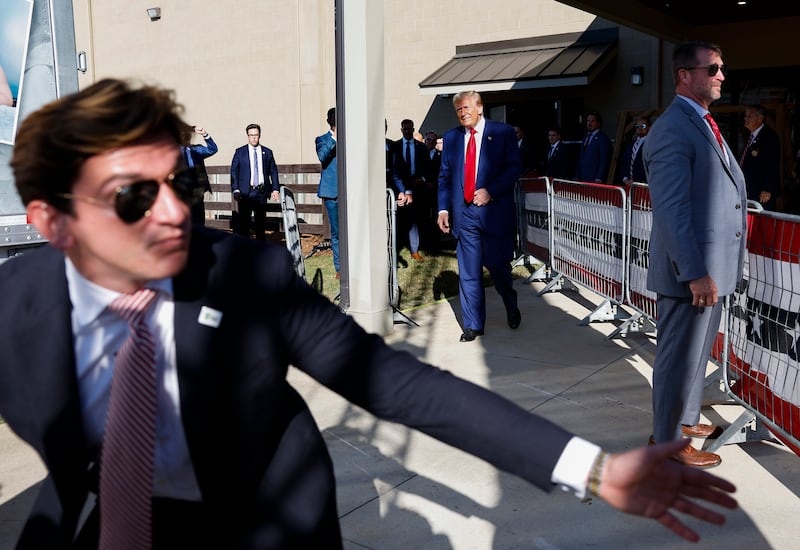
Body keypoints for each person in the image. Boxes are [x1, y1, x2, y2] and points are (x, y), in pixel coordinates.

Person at [0, 79, 738, 548]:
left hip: (272, 519)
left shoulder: (249, 278)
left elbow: (399, 384)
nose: (172, 213)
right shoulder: (14, 312)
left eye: (178, 185)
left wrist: (593, 468)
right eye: (134, 196)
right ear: (49, 220)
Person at [643, 41, 748, 468]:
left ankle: (684, 421)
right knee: (677, 361)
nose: (721, 75)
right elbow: (672, 211)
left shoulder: (700, 123)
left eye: (722, 68)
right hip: (692, 273)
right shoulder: (672, 128)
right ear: (685, 75)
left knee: (694, 357)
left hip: (708, 270)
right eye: (714, 69)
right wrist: (695, 272)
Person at [437, 91, 522, 342]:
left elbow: (514, 168)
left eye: (466, 108)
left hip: (493, 213)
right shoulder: (452, 138)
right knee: (469, 272)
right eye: (458, 110)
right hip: (464, 215)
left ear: (480, 108)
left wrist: (491, 192)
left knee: (498, 268)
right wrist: (443, 209)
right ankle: (473, 325)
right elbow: (444, 177)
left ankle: (511, 305)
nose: (462, 113)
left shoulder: (503, 133)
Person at [230, 123, 280, 240]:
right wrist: (235, 189)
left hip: (261, 193)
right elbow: (234, 171)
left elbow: (273, 171)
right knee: (244, 225)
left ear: (260, 135)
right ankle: (246, 252)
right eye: (251, 135)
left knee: (260, 224)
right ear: (247, 136)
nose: (253, 138)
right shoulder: (240, 152)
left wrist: (275, 189)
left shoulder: (267, 152)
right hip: (245, 193)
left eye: (256, 135)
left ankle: (260, 252)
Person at [392, 119, 429, 260]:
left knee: (416, 219)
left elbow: (428, 168)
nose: (407, 131)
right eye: (405, 129)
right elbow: (393, 169)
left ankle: (415, 250)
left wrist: (423, 179)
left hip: (417, 187)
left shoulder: (421, 147)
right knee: (400, 220)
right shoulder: (395, 146)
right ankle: (399, 248)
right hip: (399, 188)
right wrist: (401, 189)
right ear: (401, 130)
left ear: (413, 129)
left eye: (409, 129)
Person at [740, 104, 780, 210]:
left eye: (749, 116)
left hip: (761, 192)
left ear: (760, 118)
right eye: (745, 115)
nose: (745, 118)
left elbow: (773, 164)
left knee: (762, 220)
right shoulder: (749, 135)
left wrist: (768, 188)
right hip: (749, 189)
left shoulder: (769, 137)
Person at [180, 124, 218, 226]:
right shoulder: (176, 151)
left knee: (199, 221)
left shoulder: (196, 149)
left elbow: (213, 149)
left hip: (197, 192)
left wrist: (205, 134)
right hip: (183, 193)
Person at [575, 111, 612, 183]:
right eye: (588, 121)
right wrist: (577, 175)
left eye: (593, 121)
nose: (590, 123)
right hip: (582, 177)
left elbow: (604, 160)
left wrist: (599, 177)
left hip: (594, 178)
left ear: (598, 123)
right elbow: (581, 158)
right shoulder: (585, 138)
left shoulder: (602, 138)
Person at [619, 116, 650, 184]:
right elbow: (624, 162)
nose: (640, 128)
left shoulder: (651, 143)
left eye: (643, 126)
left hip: (643, 185)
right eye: (637, 126)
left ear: (649, 127)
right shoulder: (631, 144)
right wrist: (625, 179)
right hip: (629, 184)